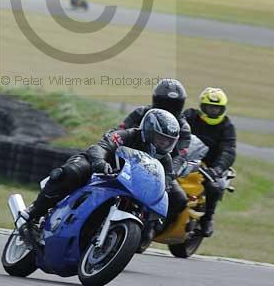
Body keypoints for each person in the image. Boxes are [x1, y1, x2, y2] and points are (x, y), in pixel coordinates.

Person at [21, 109, 186, 246]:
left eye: (168, 142)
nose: (163, 145)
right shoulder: (127, 135)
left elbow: (167, 181)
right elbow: (101, 147)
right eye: (160, 139)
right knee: (73, 172)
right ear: (148, 131)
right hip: (100, 170)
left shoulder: (165, 160)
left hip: (129, 186)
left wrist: (160, 196)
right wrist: (100, 162)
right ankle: (33, 215)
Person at [183, 87, 237, 237]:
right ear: (202, 106)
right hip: (184, 157)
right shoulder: (190, 116)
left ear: (223, 109)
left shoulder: (227, 126)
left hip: (211, 165)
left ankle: (207, 219)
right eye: (210, 107)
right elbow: (175, 129)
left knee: (214, 186)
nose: (213, 111)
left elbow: (229, 150)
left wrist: (218, 169)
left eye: (217, 108)